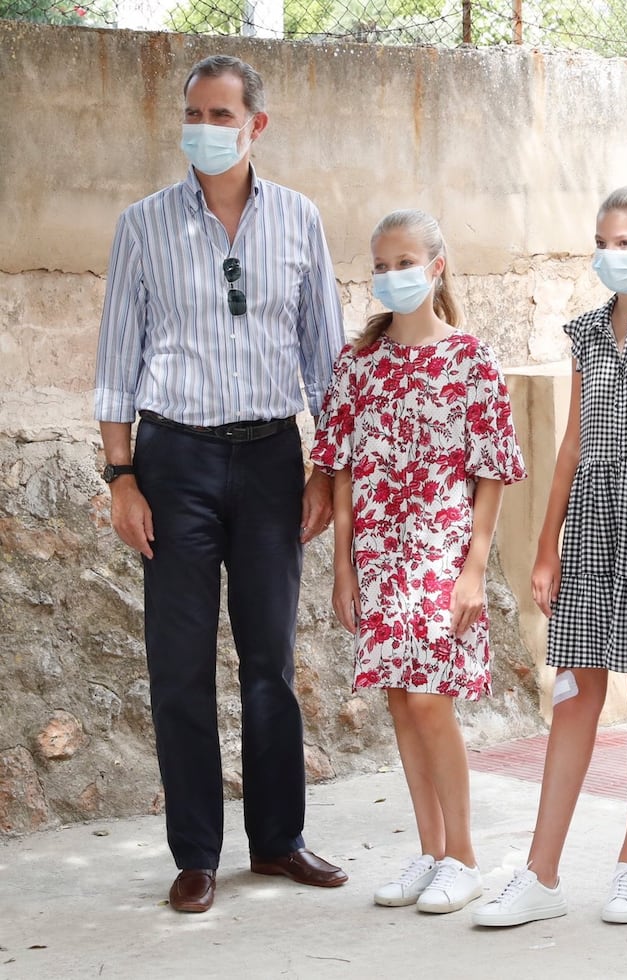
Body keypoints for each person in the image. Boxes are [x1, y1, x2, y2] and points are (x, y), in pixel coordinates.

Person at [93, 54, 349, 914]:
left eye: (219, 113)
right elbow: (115, 363)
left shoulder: (301, 221)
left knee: (270, 659)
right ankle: (196, 853)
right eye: (192, 111)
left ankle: (278, 842)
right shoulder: (142, 226)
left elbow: (327, 359)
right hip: (174, 462)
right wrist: (122, 477)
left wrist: (326, 472)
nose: (201, 126)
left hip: (274, 461)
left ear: (255, 126)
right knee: (178, 665)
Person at [472, 183, 627, 927]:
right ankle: (540, 875)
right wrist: (548, 547)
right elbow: (570, 445)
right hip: (592, 516)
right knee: (575, 691)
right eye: (601, 242)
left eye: (624, 242)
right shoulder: (583, 331)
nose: (610, 255)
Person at [311, 209, 526, 915]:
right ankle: (432, 851)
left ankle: (464, 856)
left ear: (435, 268)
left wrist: (474, 567)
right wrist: (344, 568)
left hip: (440, 547)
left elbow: (493, 469)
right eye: (379, 264)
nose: (389, 276)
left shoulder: (471, 358)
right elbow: (339, 471)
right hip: (378, 550)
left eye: (403, 261)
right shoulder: (359, 364)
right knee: (401, 700)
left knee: (431, 699)